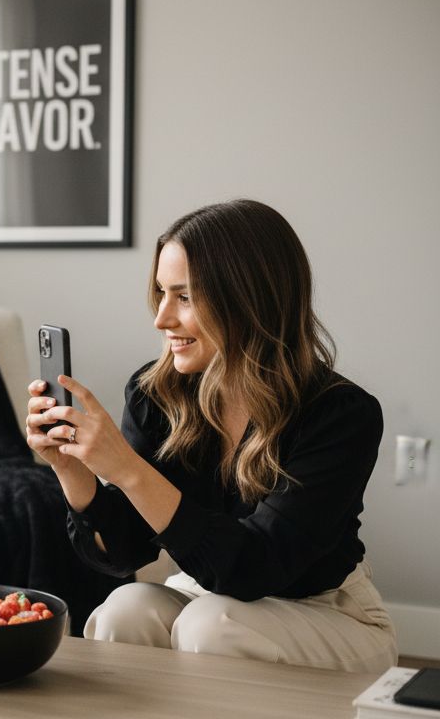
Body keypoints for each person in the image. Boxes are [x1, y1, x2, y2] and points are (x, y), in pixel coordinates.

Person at [26, 199, 397, 673]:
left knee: (211, 625)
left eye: (184, 297)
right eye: (161, 293)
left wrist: (126, 469)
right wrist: (71, 468)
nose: (162, 318)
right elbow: (126, 553)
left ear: (249, 300)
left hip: (326, 610)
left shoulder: (340, 414)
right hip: (207, 594)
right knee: (126, 608)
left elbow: (255, 566)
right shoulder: (156, 394)